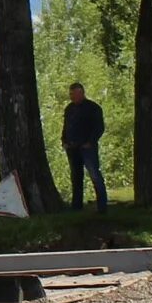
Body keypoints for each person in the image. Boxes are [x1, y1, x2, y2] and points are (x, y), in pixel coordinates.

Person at [61, 82, 108, 211]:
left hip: (87, 148)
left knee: (94, 175)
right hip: (72, 147)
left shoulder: (93, 108)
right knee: (76, 177)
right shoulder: (69, 109)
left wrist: (90, 142)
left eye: (74, 94)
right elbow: (66, 127)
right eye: (70, 94)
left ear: (81, 93)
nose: (72, 97)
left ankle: (102, 206)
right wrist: (64, 141)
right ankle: (76, 206)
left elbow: (99, 127)